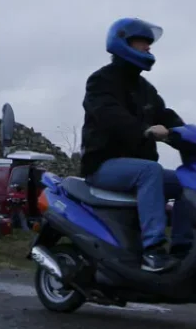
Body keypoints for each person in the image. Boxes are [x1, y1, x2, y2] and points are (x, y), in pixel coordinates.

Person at [80, 17, 187, 273]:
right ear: (123, 42)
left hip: (135, 167)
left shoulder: (144, 88)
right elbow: (109, 114)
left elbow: (164, 114)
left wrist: (188, 134)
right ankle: (153, 251)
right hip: (103, 164)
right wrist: (144, 130)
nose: (149, 49)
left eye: (150, 44)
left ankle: (184, 248)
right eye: (144, 43)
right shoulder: (100, 81)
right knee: (150, 171)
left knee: (189, 180)